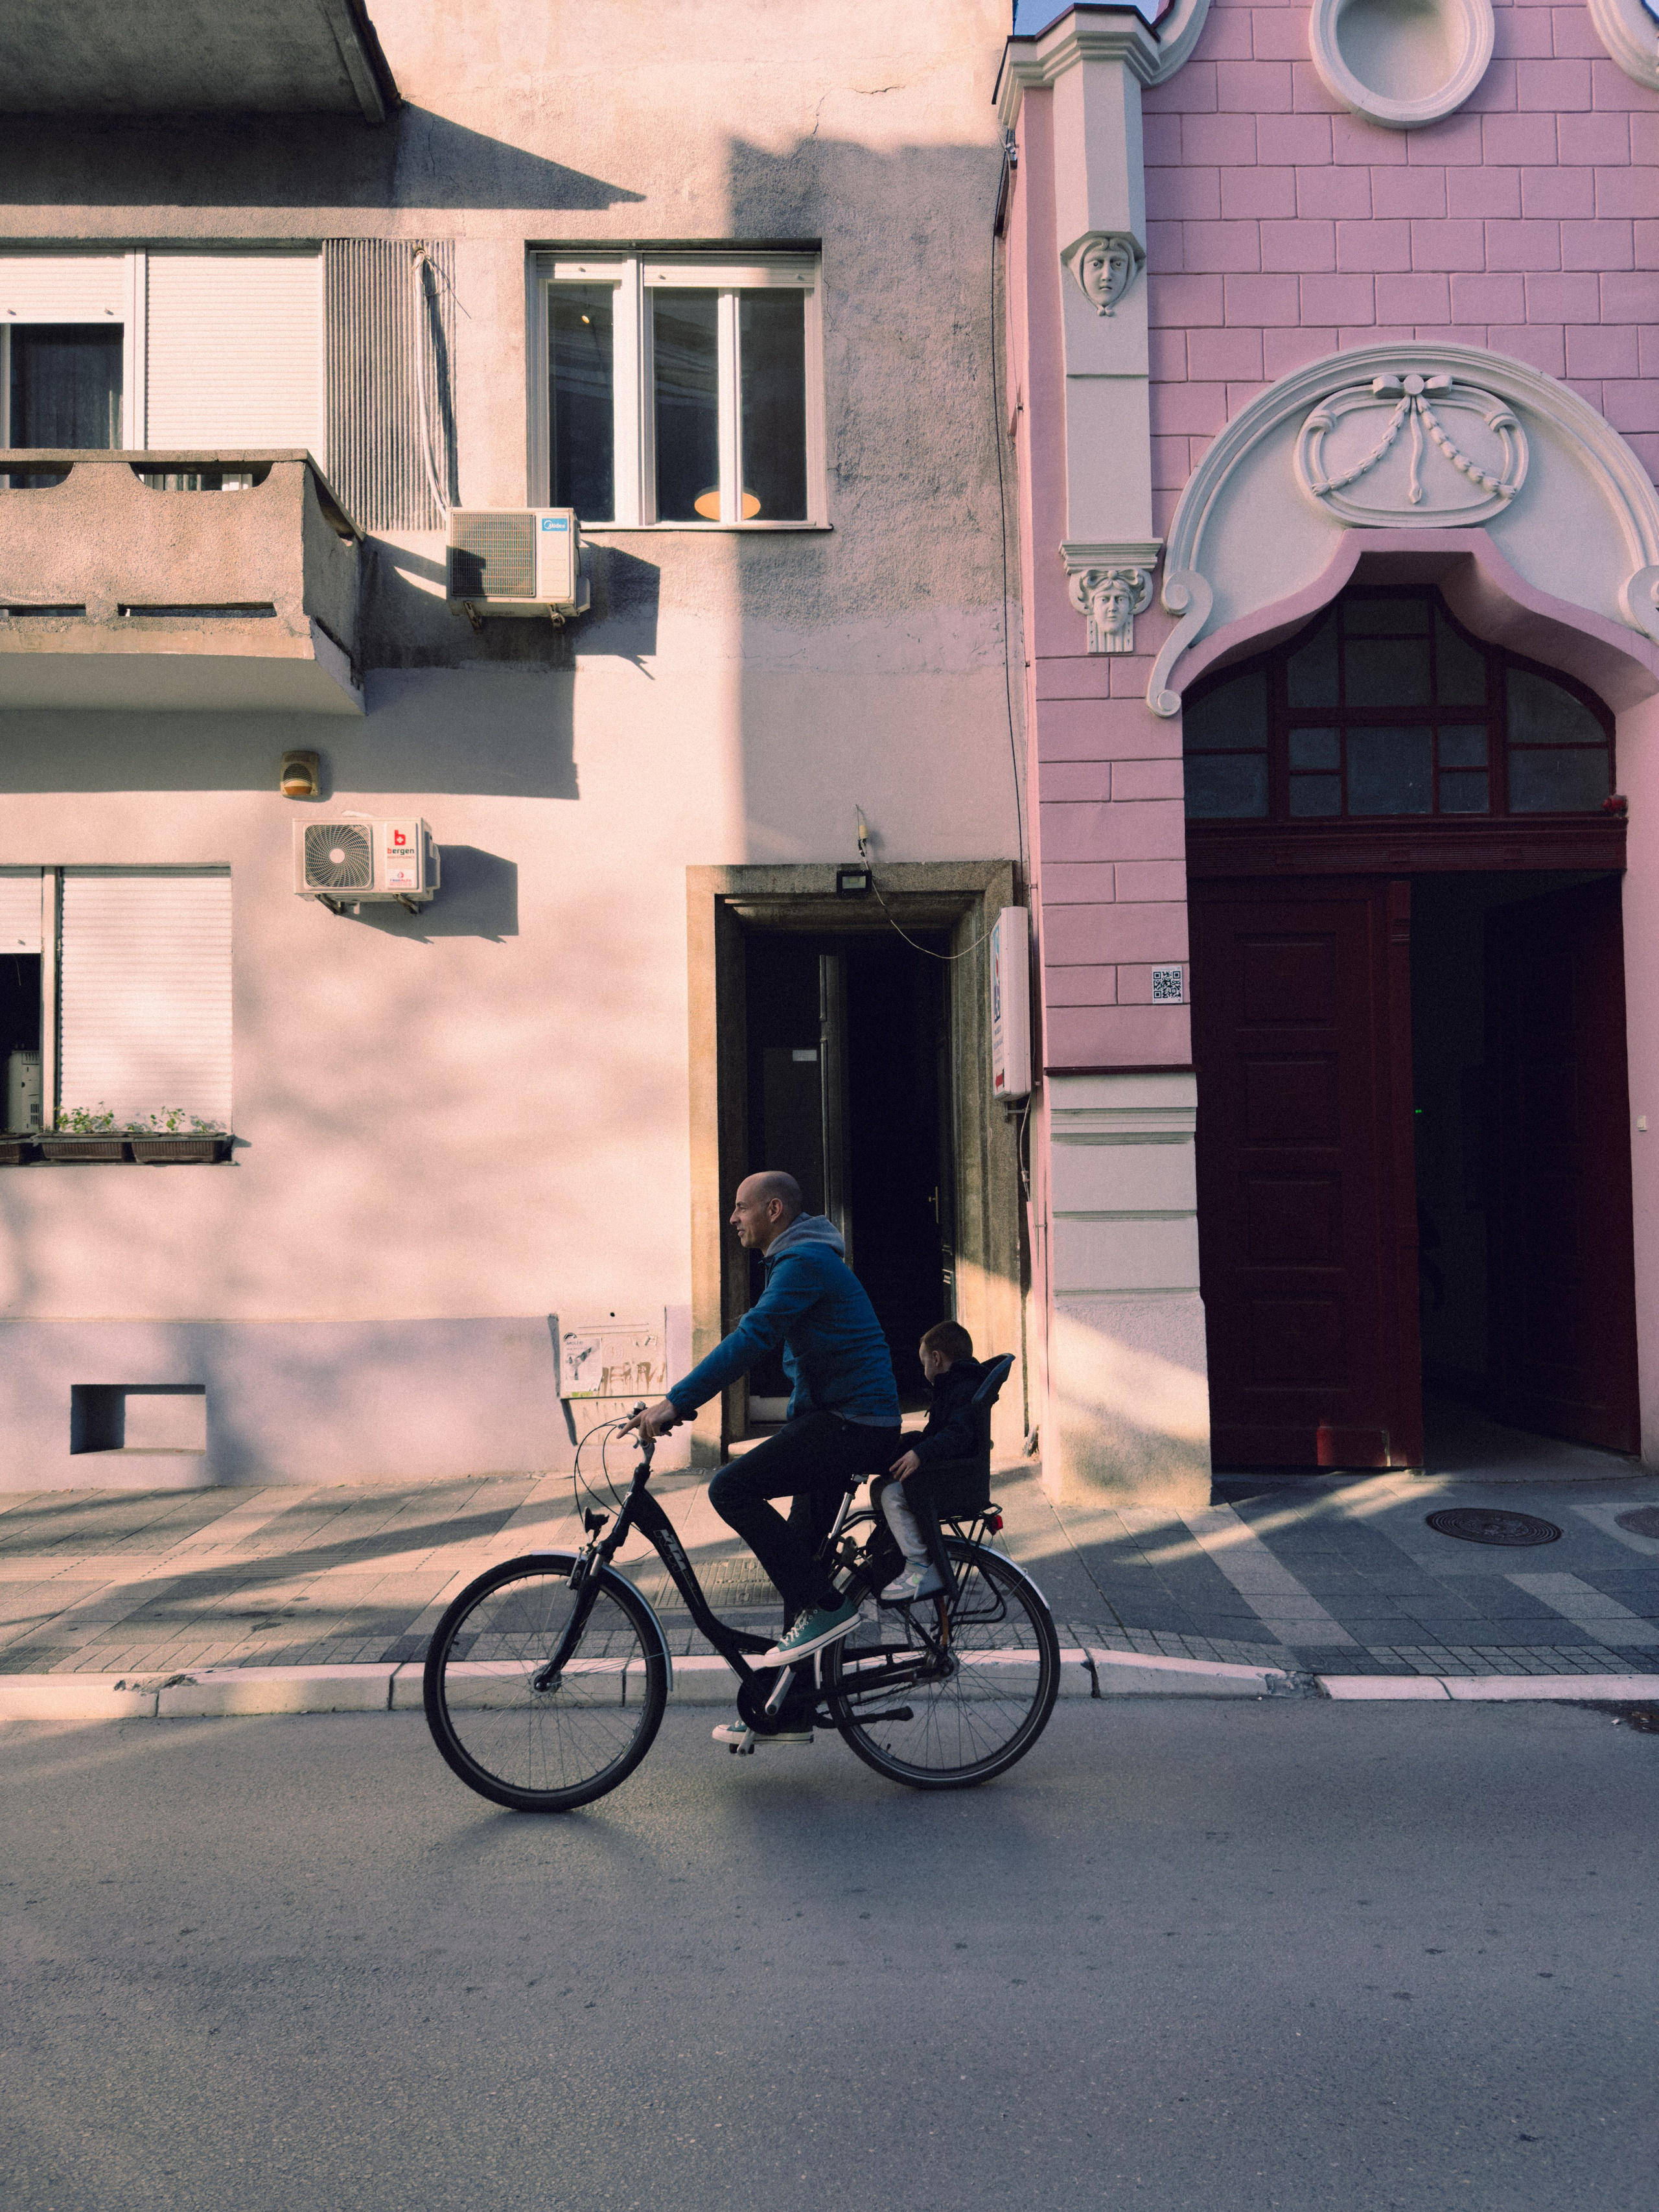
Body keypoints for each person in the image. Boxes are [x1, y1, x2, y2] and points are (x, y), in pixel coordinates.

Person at [627, 1170, 901, 1746]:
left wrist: (676, 1401)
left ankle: (826, 1607)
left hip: (854, 1424)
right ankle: (790, 1709)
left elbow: (753, 1338)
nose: (733, 1219)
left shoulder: (803, 1263)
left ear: (773, 1209)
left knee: (730, 1490)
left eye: (741, 1208)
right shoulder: (802, 1259)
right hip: (841, 1419)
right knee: (798, 1558)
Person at [870, 1321, 988, 1603]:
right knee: (881, 1486)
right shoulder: (958, 1385)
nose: (924, 1370)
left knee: (890, 1495)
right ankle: (898, 1549)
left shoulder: (962, 1388)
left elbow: (957, 1435)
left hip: (951, 1478)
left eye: (924, 1361)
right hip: (948, 1472)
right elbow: (940, 1433)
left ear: (936, 1358)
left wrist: (919, 1453)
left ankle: (918, 1564)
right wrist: (908, 1443)